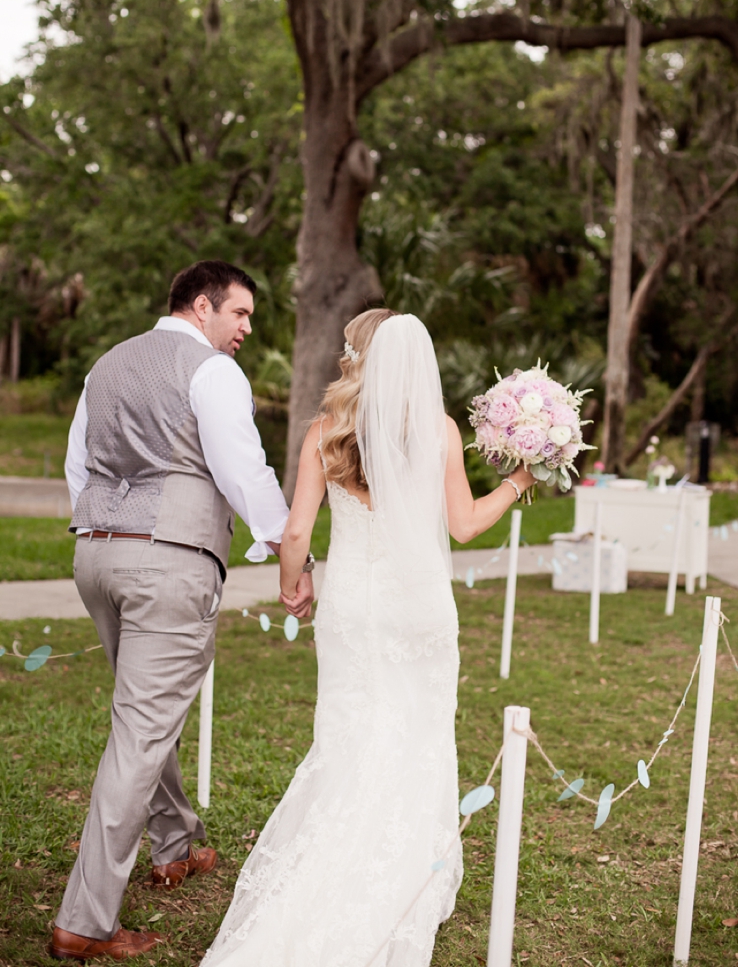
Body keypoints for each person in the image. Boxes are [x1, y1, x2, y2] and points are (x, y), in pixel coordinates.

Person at [202, 309, 535, 967]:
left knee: (350, 733)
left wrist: (292, 586)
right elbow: (465, 525)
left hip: (352, 606)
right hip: (420, 607)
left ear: (360, 356)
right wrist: (519, 482)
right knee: (417, 732)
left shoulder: (325, 432)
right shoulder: (436, 432)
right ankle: (407, 863)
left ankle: (333, 855)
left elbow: (296, 533)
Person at [51, 260, 314, 963]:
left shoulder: (107, 363)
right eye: (241, 315)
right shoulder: (211, 371)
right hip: (169, 561)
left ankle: (171, 846)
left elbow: (80, 465)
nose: (247, 330)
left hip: (96, 556)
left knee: (146, 712)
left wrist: (98, 527)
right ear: (203, 307)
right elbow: (242, 469)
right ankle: (84, 920)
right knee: (140, 733)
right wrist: (290, 552)